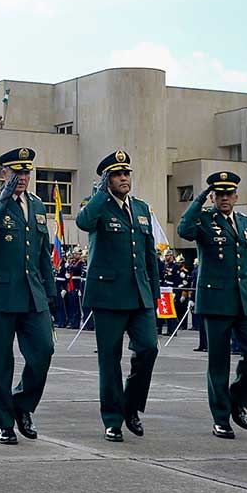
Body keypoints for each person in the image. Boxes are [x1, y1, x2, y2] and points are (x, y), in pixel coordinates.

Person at [175, 171, 247, 440]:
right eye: (219, 194)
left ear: (236, 197)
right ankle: (221, 418)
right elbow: (183, 230)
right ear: (213, 197)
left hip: (244, 299)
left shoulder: (246, 223)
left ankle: (237, 400)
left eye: (229, 194)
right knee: (218, 362)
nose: (224, 198)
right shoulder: (204, 220)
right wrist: (199, 199)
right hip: (215, 301)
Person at [0, 147, 56, 445]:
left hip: (32, 294)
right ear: (3, 174)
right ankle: (4, 422)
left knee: (43, 351)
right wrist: (4, 198)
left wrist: (50, 293)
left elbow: (43, 253)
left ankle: (22, 404)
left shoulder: (37, 205)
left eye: (26, 172)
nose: (22, 177)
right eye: (16, 172)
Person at [79, 150, 162, 442]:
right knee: (109, 360)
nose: (124, 178)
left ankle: (131, 404)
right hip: (108, 296)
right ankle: (113, 420)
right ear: (106, 180)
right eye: (116, 174)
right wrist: (101, 194)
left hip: (140, 295)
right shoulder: (96, 205)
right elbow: (83, 222)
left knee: (149, 349)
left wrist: (154, 294)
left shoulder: (141, 208)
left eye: (126, 173)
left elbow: (149, 254)